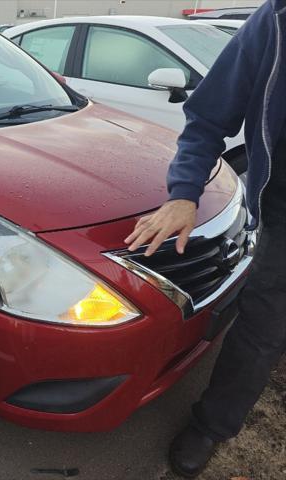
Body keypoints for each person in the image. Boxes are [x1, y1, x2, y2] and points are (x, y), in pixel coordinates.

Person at [124, 0, 286, 478]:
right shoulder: (274, 23)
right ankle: (213, 426)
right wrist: (184, 193)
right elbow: (209, 116)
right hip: (282, 211)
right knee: (261, 329)